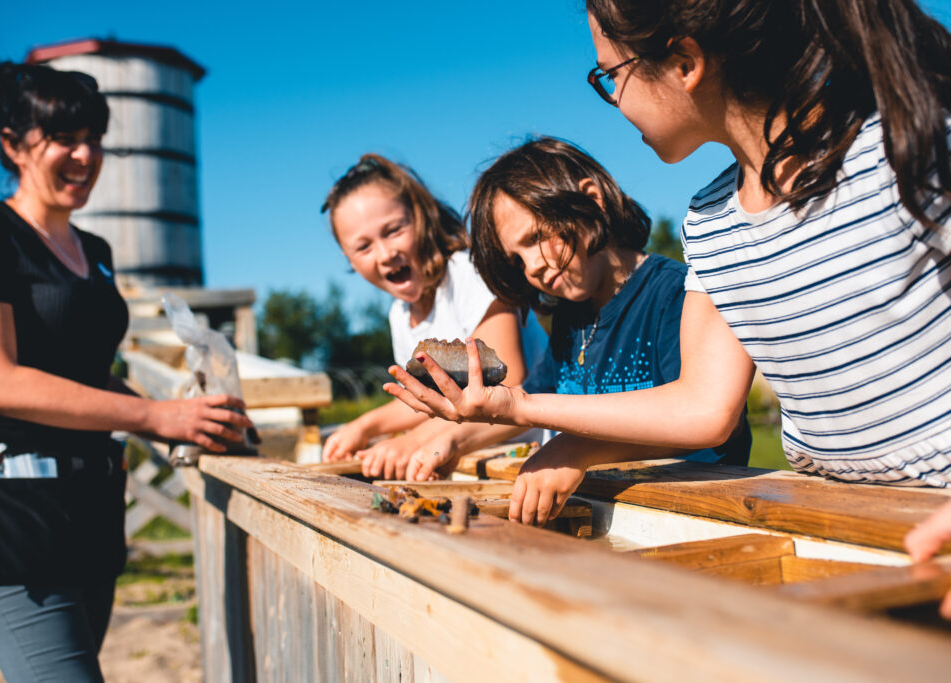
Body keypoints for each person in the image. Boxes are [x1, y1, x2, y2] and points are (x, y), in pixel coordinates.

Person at [385, 0, 951, 533]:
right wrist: (516, 407)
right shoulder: (710, 221)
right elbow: (701, 407)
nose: (611, 97)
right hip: (834, 524)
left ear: (684, 63)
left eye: (611, 74)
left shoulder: (901, 146)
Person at [0, 61, 252, 682]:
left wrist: (186, 424)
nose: (86, 155)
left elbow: (90, 376)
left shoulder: (95, 252)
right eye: (66, 139)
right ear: (12, 144)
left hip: (85, 498)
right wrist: (155, 415)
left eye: (96, 139)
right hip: (0, 492)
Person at [403, 138, 750, 514]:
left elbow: (692, 419)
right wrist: (455, 441)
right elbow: (531, 399)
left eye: (535, 238)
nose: (531, 266)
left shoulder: (675, 296)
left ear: (591, 201)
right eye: (517, 260)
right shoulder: (571, 319)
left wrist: (578, 447)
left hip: (696, 518)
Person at [319, 154, 546, 479]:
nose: (385, 254)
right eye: (364, 247)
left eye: (394, 230)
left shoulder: (469, 274)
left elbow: (504, 387)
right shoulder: (400, 315)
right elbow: (427, 399)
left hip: (531, 460)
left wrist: (412, 442)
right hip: (475, 463)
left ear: (421, 216)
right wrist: (363, 426)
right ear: (348, 257)